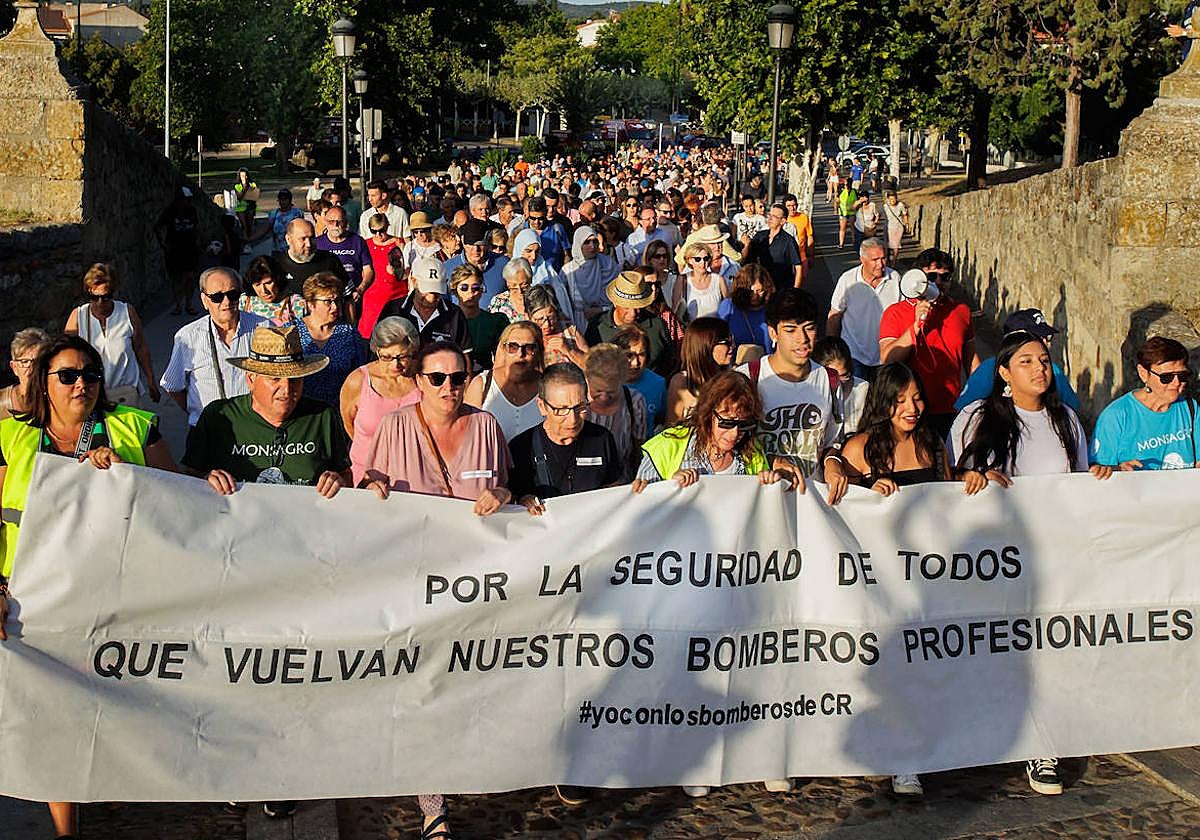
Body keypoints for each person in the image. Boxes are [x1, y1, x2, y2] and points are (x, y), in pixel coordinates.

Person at [0, 334, 177, 840]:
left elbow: (184, 504)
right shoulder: (11, 438)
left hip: (119, 596)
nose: (82, 384)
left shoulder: (133, 428)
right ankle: (66, 829)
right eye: (68, 375)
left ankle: (110, 780)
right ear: (44, 384)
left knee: (114, 703)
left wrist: (125, 479)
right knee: (55, 712)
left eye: (91, 374)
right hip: (35, 599)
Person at [945, 330, 1112, 798]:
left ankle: (1043, 743)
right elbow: (952, 478)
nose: (1039, 368)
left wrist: (1100, 477)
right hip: (994, 556)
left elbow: (1077, 482)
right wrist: (970, 476)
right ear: (1003, 372)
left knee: (1046, 651)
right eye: (1026, 361)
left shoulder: (1067, 421)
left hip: (1052, 555)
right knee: (995, 649)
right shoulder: (977, 418)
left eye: (1044, 360)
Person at [361, 339, 512, 522]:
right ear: (420, 381)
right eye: (437, 378)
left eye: (457, 378)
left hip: (475, 545)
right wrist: (372, 490)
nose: (448, 387)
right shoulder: (395, 426)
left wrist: (503, 494)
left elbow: (509, 486)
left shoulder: (486, 426)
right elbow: (369, 488)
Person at [737, 288, 837, 483]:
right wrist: (772, 461)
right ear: (773, 332)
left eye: (809, 328)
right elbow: (725, 442)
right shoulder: (747, 379)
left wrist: (833, 461)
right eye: (790, 330)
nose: (803, 339)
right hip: (762, 496)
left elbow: (834, 440)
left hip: (813, 497)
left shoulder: (830, 379)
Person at [633, 369, 790, 492]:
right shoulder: (667, 446)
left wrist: (769, 482)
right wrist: (667, 488)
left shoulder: (753, 452)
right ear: (708, 414)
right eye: (727, 423)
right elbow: (644, 507)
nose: (735, 433)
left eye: (744, 424)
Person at [824, 363, 953, 508]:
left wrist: (967, 477)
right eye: (900, 401)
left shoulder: (932, 442)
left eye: (917, 399)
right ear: (882, 403)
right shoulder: (858, 448)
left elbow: (948, 498)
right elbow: (844, 509)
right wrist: (869, 497)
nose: (912, 409)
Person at [880, 255, 979, 438]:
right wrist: (916, 326)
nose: (939, 282)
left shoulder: (961, 311)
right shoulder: (895, 313)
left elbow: (971, 360)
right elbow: (888, 358)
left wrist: (978, 399)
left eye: (946, 277)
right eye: (932, 277)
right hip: (908, 410)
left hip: (951, 407)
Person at [508, 361, 623, 514]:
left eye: (580, 407)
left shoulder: (602, 439)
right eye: (561, 410)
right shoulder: (521, 447)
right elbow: (509, 501)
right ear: (542, 406)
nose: (573, 419)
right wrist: (523, 501)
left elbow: (614, 492)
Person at [161, 267, 266, 428]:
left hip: (254, 429)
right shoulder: (188, 336)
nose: (226, 302)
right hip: (208, 430)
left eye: (233, 294)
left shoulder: (264, 328)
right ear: (204, 300)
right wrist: (198, 412)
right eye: (217, 297)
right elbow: (173, 386)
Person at [1091, 335, 1200, 471]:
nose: (1177, 383)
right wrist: (1118, 470)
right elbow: (1098, 471)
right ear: (1143, 373)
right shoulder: (1116, 416)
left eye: (1183, 376)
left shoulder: (1191, 408)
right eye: (1166, 377)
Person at [340, 317, 422, 486]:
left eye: (402, 356)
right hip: (366, 475)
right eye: (386, 357)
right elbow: (349, 423)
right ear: (376, 351)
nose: (395, 365)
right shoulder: (358, 380)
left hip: (414, 477)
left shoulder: (422, 378)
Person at [65, 262, 159, 408]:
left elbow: (140, 347)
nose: (100, 303)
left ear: (113, 292)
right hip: (92, 394)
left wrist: (151, 380)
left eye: (106, 297)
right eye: (94, 297)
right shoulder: (78, 317)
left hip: (125, 393)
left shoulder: (127, 312)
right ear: (88, 291)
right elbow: (66, 357)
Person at [956, 309, 1080, 411]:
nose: (1048, 345)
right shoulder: (989, 370)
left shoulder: (1053, 371)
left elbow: (1072, 410)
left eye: (1048, 338)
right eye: (1038, 338)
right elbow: (964, 409)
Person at [825, 237, 903, 382]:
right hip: (854, 354)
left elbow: (902, 315)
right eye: (875, 260)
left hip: (885, 356)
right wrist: (832, 351)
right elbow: (835, 314)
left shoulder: (895, 278)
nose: (881, 264)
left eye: (883, 258)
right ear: (862, 259)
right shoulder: (847, 280)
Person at [294, 272, 369, 408]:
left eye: (337, 300)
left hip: (339, 410)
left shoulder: (349, 333)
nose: (335, 307)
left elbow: (362, 375)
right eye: (328, 301)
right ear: (311, 304)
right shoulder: (292, 332)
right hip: (302, 412)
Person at [464, 321, 544, 442]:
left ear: (538, 352)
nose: (520, 354)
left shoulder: (549, 386)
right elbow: (466, 435)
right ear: (503, 349)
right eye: (513, 347)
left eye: (529, 348)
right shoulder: (482, 384)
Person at [584, 271, 675, 376]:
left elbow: (669, 363)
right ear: (615, 302)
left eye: (638, 307)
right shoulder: (597, 326)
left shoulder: (657, 325)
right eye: (627, 307)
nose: (633, 313)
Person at [378, 257, 474, 353]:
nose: (431, 298)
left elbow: (465, 356)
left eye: (437, 292)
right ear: (414, 281)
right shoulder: (393, 310)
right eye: (427, 291)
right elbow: (378, 350)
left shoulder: (455, 314)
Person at [585, 343, 648, 481]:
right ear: (588, 379)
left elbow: (639, 447)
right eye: (598, 391)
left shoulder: (635, 401)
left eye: (611, 392)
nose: (604, 397)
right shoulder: (578, 402)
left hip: (622, 481)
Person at [666, 317, 733, 425]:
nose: (732, 346)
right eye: (726, 342)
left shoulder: (730, 379)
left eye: (732, 340)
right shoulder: (682, 382)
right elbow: (671, 428)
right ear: (705, 345)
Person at [316, 205, 374, 316]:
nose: (335, 225)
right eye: (331, 221)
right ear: (326, 222)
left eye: (339, 221)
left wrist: (360, 289)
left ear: (346, 222)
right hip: (325, 300)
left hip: (352, 297)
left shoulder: (357, 241)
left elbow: (368, 270)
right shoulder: (317, 243)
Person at [451, 263, 508, 371]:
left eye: (475, 287)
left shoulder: (494, 322)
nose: (470, 292)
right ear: (455, 290)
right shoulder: (447, 321)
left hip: (485, 378)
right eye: (464, 287)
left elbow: (503, 358)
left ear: (481, 290)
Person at [562, 226, 621, 330]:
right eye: (587, 242)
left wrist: (600, 309)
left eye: (595, 241)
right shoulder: (568, 270)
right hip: (577, 322)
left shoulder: (608, 265)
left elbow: (618, 296)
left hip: (606, 321)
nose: (592, 246)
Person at [271, 219, 349, 297]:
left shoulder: (330, 260)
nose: (308, 244)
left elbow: (348, 294)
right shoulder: (276, 264)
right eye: (303, 239)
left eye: (312, 238)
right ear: (288, 239)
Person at [812, 336, 869, 438]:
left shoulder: (863, 390)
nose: (837, 383)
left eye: (843, 375)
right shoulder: (810, 394)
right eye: (832, 377)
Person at [361, 213, 405, 339]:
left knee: (394, 336)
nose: (378, 235)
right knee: (368, 335)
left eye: (382, 231)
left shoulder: (398, 243)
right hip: (372, 296)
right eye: (373, 231)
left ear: (387, 227)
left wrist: (397, 269)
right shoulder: (365, 244)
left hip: (395, 296)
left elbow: (407, 271)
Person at [157, 186, 201, 315]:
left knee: (190, 277)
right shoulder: (170, 211)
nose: (187, 202)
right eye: (185, 199)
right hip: (175, 249)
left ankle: (189, 303)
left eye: (188, 200)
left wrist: (198, 242)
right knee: (177, 278)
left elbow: (197, 227)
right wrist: (163, 244)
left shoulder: (192, 211)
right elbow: (158, 227)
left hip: (190, 248)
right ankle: (178, 305)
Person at [614, 325, 667, 429]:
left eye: (641, 354)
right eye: (629, 355)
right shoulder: (605, 382)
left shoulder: (659, 384)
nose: (635, 363)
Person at [742, 203, 803, 291]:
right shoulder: (760, 236)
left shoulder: (788, 241)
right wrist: (746, 244)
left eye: (774, 216)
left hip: (782, 288)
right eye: (769, 215)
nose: (770, 218)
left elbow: (798, 267)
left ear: (783, 221)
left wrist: (795, 291)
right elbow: (748, 260)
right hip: (761, 289)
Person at [718, 263, 774, 358]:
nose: (755, 296)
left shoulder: (772, 308)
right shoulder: (728, 306)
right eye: (750, 292)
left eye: (759, 291)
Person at [527, 285, 588, 368]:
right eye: (540, 319)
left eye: (551, 317)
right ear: (530, 318)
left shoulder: (570, 331)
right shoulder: (527, 338)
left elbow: (591, 365)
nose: (547, 324)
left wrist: (569, 351)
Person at [241, 255, 307, 324]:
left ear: (278, 279)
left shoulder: (295, 304)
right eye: (257, 285)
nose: (264, 291)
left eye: (268, 283)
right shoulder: (244, 302)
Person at [0, 329, 50, 420]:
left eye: (39, 361)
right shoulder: (2, 403)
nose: (32, 368)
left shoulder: (57, 398)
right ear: (14, 367)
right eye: (25, 362)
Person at [681, 241, 729, 321]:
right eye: (698, 259)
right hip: (693, 331)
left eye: (706, 259)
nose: (703, 262)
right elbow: (676, 311)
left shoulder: (719, 279)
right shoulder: (683, 280)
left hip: (716, 330)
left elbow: (728, 308)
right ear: (689, 260)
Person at [488, 258, 534, 323]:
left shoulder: (540, 298)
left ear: (530, 280)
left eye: (524, 285)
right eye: (514, 286)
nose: (520, 291)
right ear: (508, 283)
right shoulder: (498, 302)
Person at [882, 191, 909, 264]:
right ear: (887, 199)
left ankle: (894, 261)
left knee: (896, 245)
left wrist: (906, 224)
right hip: (887, 227)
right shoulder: (885, 206)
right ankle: (886, 260)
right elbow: (882, 216)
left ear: (896, 198)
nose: (892, 201)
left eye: (894, 199)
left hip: (898, 228)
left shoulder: (900, 205)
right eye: (890, 199)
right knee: (886, 245)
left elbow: (905, 214)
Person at [232, 167, 259, 240]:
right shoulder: (237, 186)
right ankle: (245, 239)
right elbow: (239, 197)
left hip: (251, 206)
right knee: (244, 225)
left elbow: (255, 194)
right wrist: (245, 188)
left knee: (249, 224)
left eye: (244, 176)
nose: (243, 178)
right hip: (241, 207)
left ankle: (249, 238)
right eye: (241, 176)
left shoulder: (252, 184)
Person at [837, 181, 858, 248]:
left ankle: (854, 242)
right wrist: (836, 208)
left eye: (848, 184)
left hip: (852, 213)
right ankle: (841, 244)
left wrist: (855, 208)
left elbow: (857, 201)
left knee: (853, 228)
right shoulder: (841, 191)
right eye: (846, 184)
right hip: (843, 213)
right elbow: (837, 200)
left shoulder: (854, 191)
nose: (847, 186)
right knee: (842, 228)